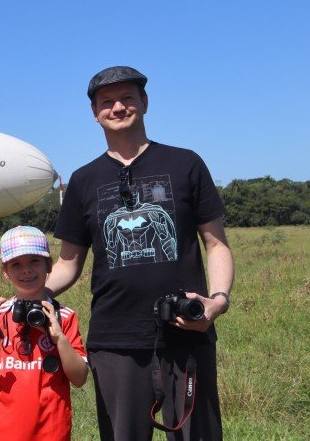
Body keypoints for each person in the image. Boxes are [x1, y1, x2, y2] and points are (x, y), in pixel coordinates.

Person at [49, 66, 235, 439]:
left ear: (144, 103)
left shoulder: (186, 164)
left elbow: (215, 244)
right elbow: (68, 263)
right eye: (107, 102)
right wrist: (30, 296)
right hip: (115, 340)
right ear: (95, 112)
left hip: (187, 331)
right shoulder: (83, 180)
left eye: (127, 98)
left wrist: (218, 301)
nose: (118, 107)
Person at [0, 225, 88, 440]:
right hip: (4, 431)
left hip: (51, 430)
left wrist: (59, 339)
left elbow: (80, 378)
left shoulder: (65, 316)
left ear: (49, 265)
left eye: (34, 261)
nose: (26, 270)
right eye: (16, 264)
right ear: (5, 272)